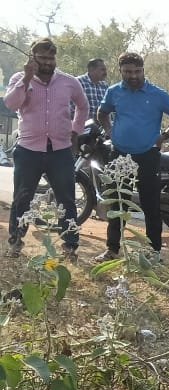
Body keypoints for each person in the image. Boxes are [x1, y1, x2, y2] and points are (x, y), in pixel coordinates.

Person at [95, 52, 169, 261]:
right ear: (121, 71)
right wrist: (110, 131)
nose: (133, 76)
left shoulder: (158, 94)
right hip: (120, 155)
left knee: (150, 204)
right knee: (118, 203)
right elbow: (102, 113)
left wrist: (163, 137)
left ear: (143, 70)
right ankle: (112, 250)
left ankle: (153, 252)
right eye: (128, 72)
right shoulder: (114, 92)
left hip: (148, 155)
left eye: (137, 71)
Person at [4, 38, 89, 260]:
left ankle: (70, 245)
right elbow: (11, 104)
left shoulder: (69, 82)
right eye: (42, 57)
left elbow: (83, 106)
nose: (47, 62)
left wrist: (75, 131)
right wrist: (27, 77)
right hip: (28, 150)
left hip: (60, 150)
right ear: (32, 57)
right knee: (22, 198)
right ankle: (15, 242)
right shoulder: (19, 79)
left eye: (51, 58)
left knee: (66, 199)